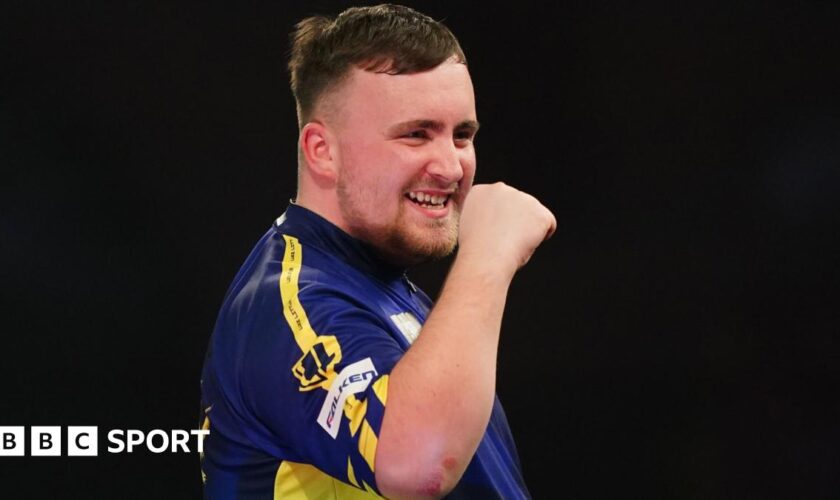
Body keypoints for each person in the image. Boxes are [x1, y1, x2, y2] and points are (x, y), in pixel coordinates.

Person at [199, 4, 556, 499]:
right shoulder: (286, 308)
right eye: (416, 134)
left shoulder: (380, 287)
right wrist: (489, 252)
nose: (452, 167)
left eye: (462, 135)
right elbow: (419, 466)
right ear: (322, 151)